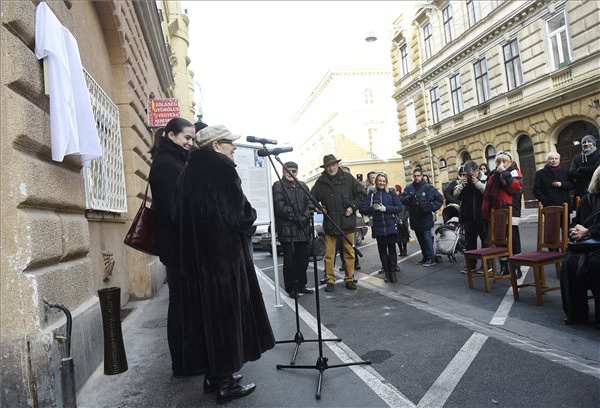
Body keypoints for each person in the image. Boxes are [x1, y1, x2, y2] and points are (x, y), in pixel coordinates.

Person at [173, 125, 275, 404]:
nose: (234, 148)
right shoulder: (222, 169)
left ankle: (214, 375)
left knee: (207, 319)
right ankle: (226, 383)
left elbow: (177, 215)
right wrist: (250, 214)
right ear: (217, 146)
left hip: (197, 261)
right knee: (227, 318)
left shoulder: (187, 172)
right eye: (230, 143)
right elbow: (239, 215)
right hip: (223, 259)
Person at [148, 117, 197, 377]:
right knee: (181, 305)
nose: (190, 142)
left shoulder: (175, 160)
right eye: (186, 138)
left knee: (184, 304)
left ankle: (188, 359)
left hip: (179, 245)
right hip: (178, 246)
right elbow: (174, 210)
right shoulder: (167, 165)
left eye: (193, 138)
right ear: (171, 136)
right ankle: (184, 362)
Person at [311, 155, 367, 292]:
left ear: (337, 165)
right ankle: (330, 280)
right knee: (329, 255)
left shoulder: (348, 178)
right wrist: (318, 207)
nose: (331, 168)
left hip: (347, 224)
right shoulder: (321, 182)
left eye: (333, 165)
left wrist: (352, 207)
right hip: (330, 225)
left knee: (349, 253)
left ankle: (349, 278)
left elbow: (362, 194)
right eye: (328, 166)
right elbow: (311, 198)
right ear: (325, 167)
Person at [560, 166, 600, 328]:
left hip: (596, 243)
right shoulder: (587, 199)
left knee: (595, 263)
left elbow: (588, 229)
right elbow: (577, 221)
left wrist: (589, 232)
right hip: (587, 245)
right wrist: (575, 229)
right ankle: (577, 314)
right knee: (569, 263)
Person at [272, 161, 314, 299]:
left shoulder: (302, 185)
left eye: (294, 171)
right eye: (288, 170)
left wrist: (304, 216)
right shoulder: (278, 185)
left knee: (303, 259)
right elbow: (279, 207)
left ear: (297, 171)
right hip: (288, 229)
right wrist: (297, 218)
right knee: (290, 262)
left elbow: (310, 203)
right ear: (283, 171)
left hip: (304, 229)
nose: (291, 173)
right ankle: (292, 288)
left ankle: (302, 284)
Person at [482, 151, 523, 277]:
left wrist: (504, 173)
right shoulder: (493, 174)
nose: (501, 164)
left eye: (504, 161)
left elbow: (514, 188)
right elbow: (488, 192)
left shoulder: (514, 171)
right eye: (499, 161)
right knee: (499, 239)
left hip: (511, 209)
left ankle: (517, 267)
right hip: (496, 210)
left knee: (513, 238)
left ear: (510, 162)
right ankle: (504, 265)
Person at [361, 174, 403, 282]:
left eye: (384, 181)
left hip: (391, 226)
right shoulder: (371, 194)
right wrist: (373, 208)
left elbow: (399, 208)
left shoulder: (391, 193)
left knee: (392, 250)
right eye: (380, 181)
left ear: (386, 182)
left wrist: (385, 209)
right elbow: (363, 209)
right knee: (382, 251)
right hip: (378, 227)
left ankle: (393, 272)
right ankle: (387, 272)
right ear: (376, 182)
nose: (381, 183)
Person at [401, 168, 444, 267]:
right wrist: (409, 197)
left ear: (422, 176)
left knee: (427, 238)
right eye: (415, 176)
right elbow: (403, 200)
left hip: (425, 218)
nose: (417, 178)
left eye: (418, 175)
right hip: (415, 218)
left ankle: (431, 258)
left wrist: (431, 208)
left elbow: (439, 198)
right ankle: (425, 257)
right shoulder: (409, 188)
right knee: (420, 239)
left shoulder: (428, 187)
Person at [454, 160, 487, 273]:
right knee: (470, 243)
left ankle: (486, 265)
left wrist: (477, 183)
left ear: (477, 171)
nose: (469, 176)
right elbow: (455, 195)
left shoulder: (484, 178)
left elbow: (488, 192)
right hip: (468, 217)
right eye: (467, 174)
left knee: (485, 242)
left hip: (482, 217)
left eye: (471, 174)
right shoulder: (464, 181)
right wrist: (461, 186)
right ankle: (471, 265)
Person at [569, 135, 600, 210]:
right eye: (584, 142)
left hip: (596, 189)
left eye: (589, 141)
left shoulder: (599, 154)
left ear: (593, 143)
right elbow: (572, 172)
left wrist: (580, 169)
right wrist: (590, 171)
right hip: (581, 191)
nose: (586, 144)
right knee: (582, 214)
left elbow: (597, 168)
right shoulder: (576, 158)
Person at [394, 184, 410, 257]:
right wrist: (397, 219)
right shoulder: (393, 199)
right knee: (398, 237)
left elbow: (407, 211)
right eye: (395, 191)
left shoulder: (403, 199)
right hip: (396, 221)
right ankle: (400, 250)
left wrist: (403, 219)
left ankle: (405, 249)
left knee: (404, 236)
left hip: (404, 221)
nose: (395, 192)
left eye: (396, 191)